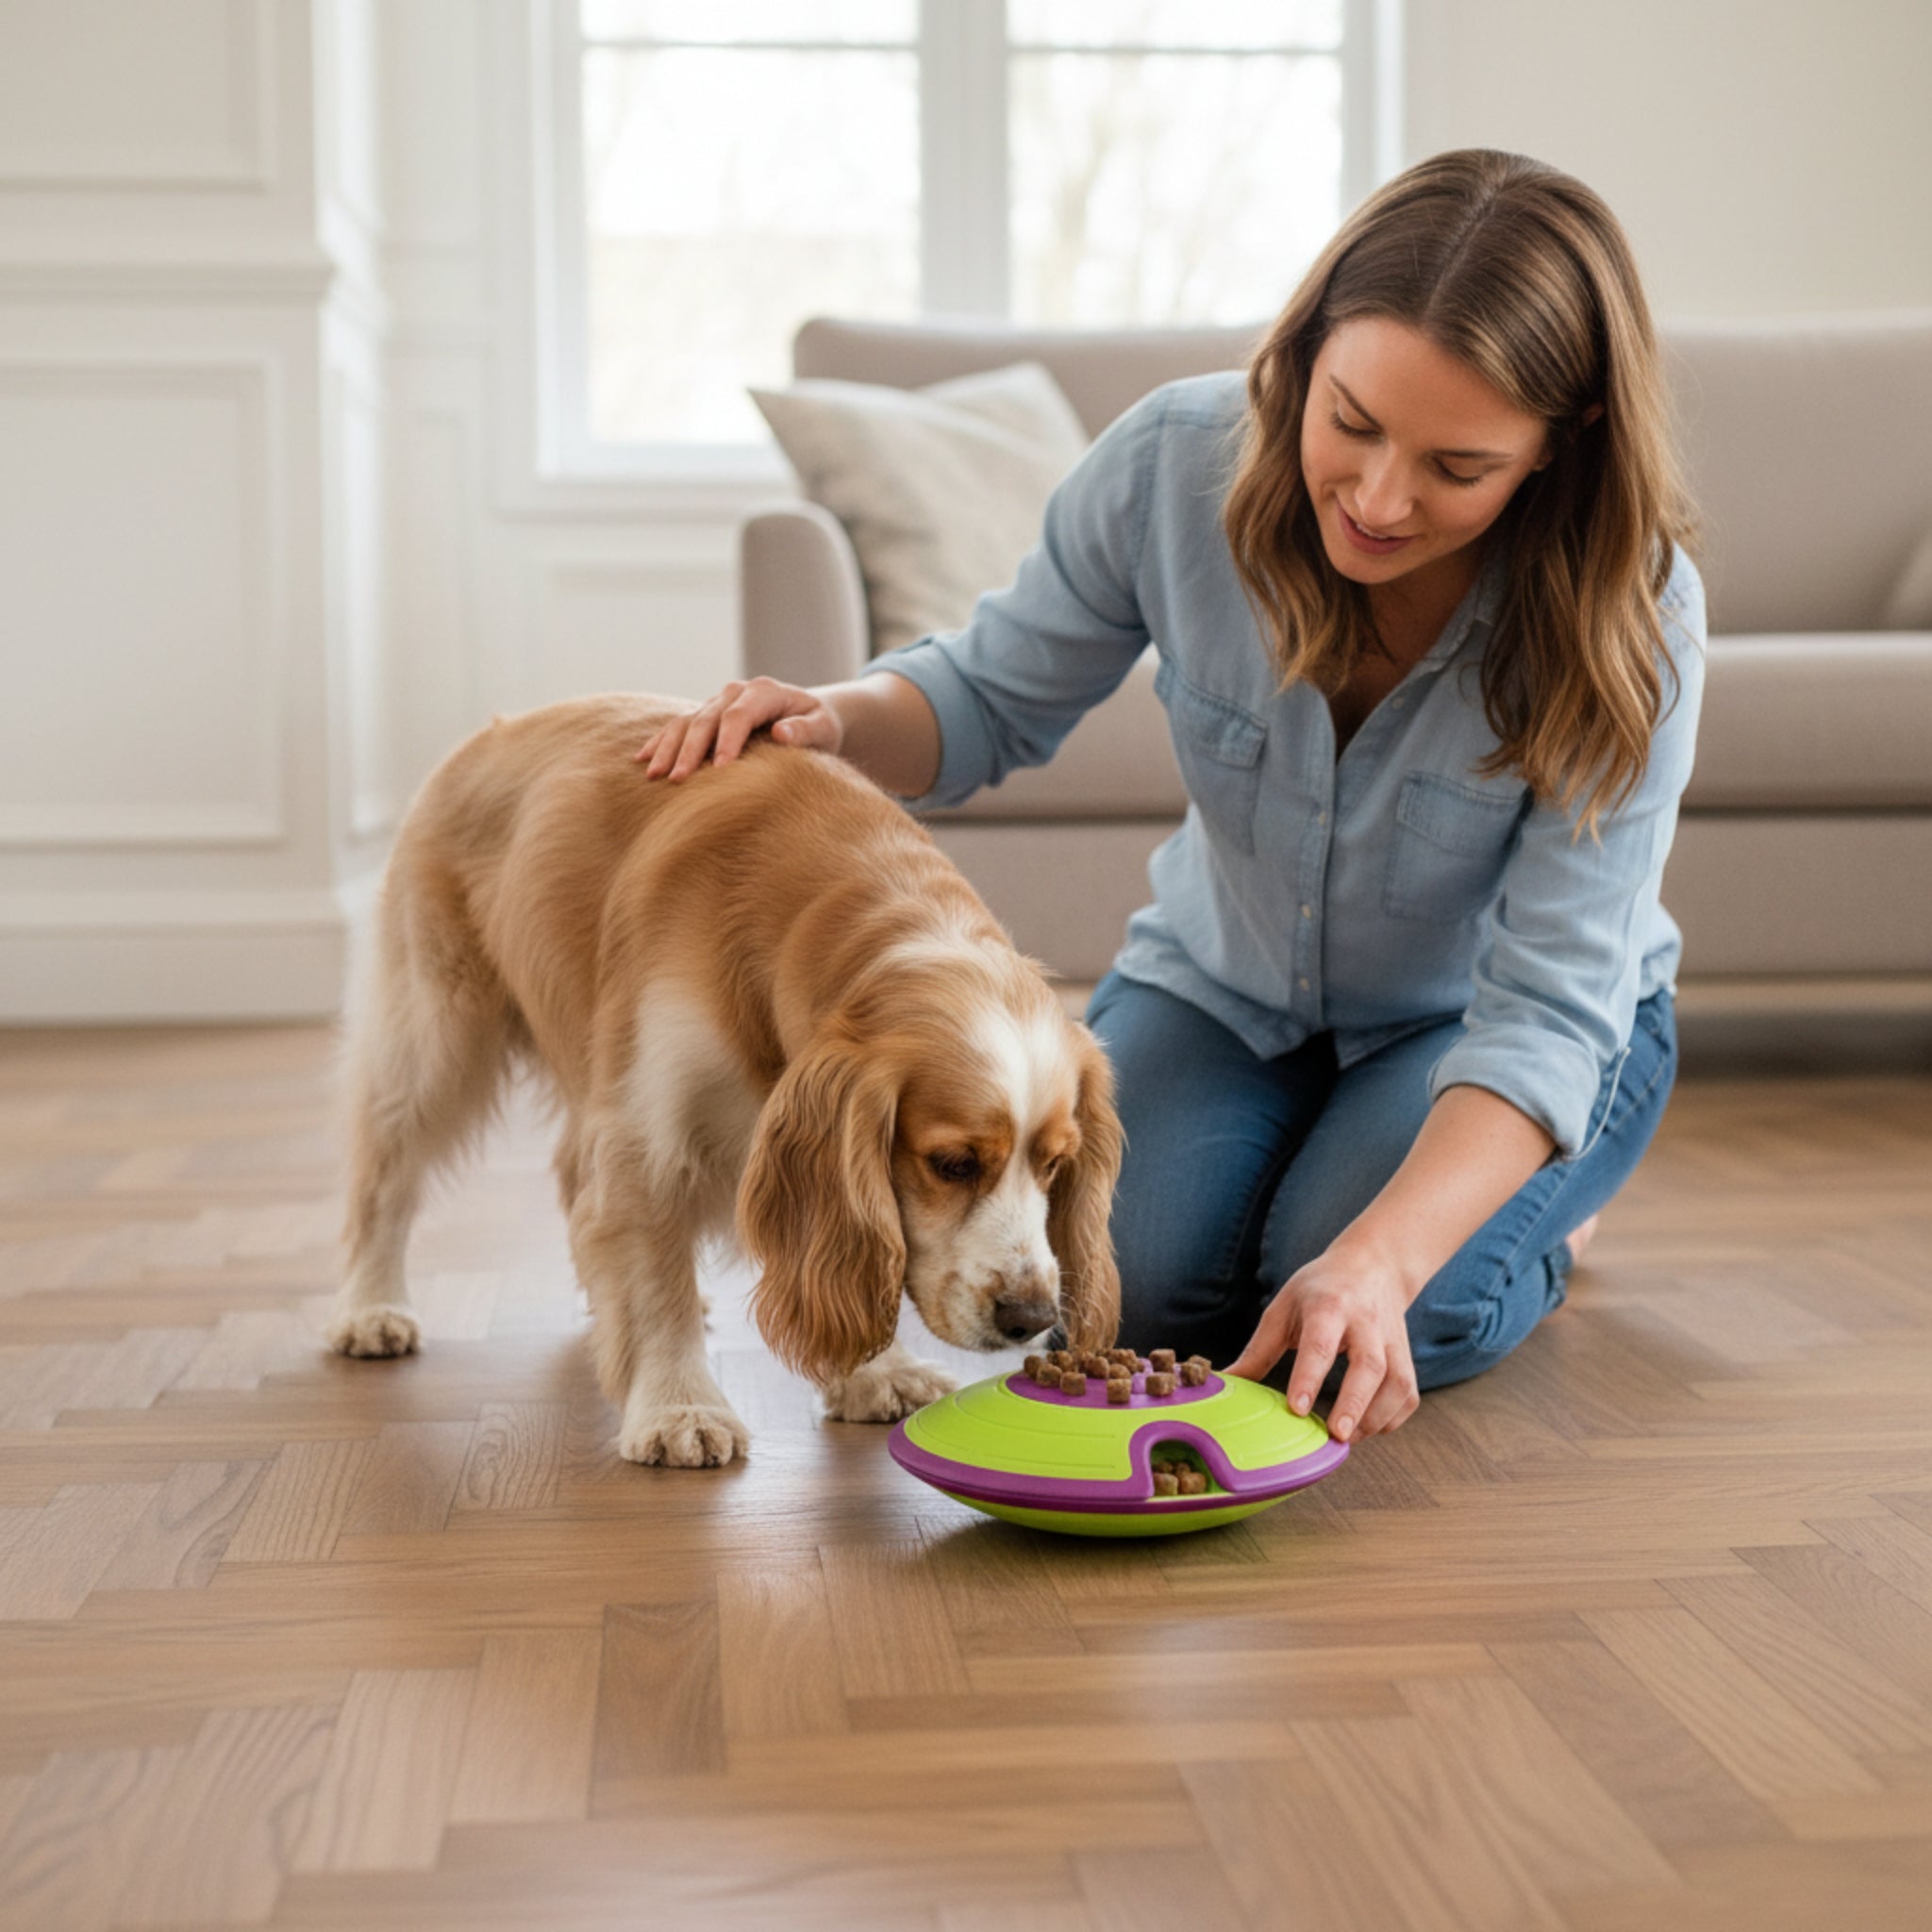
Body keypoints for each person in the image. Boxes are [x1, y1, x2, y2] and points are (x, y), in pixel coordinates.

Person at [638, 148, 1706, 1449]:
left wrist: (1378, 1257)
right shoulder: (1173, 464)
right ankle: (1336, 1165)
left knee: (1356, 1324)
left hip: (1478, 1032)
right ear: (1304, 352)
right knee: (1126, 1305)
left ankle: (1549, 1203)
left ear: (1562, 444)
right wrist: (827, 718)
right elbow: (987, 697)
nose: (1377, 499)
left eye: (1455, 467)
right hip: (1226, 989)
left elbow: (1547, 1003)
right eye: (1352, 423)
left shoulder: (1631, 612)